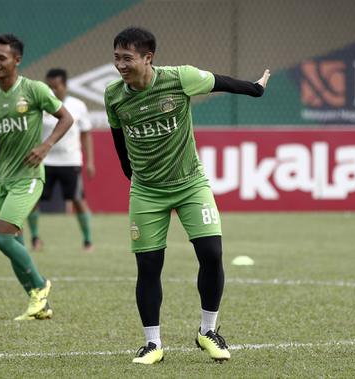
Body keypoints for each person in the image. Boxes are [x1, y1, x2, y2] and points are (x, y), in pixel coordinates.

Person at [104, 26, 270, 364]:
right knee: (149, 265)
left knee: (211, 252)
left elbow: (221, 82)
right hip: (147, 192)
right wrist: (128, 172)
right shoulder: (114, 95)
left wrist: (255, 89)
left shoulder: (180, 78)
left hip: (190, 184)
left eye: (127, 58)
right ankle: (153, 344)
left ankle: (207, 331)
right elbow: (118, 135)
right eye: (117, 57)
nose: (120, 64)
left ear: (147, 58)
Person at [0, 34, 73, 320]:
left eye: (2, 58)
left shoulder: (34, 89)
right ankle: (39, 305)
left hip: (29, 176)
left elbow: (66, 118)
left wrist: (46, 146)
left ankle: (40, 285)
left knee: (1, 238)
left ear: (17, 60)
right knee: (15, 243)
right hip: (3, 178)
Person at [27, 68, 96, 252]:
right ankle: (35, 238)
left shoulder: (77, 105)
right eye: (48, 87)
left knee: (77, 199)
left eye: (55, 86)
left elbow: (86, 134)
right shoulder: (42, 105)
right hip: (44, 162)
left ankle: (88, 241)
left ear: (64, 86)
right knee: (33, 200)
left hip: (70, 161)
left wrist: (90, 161)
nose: (52, 91)